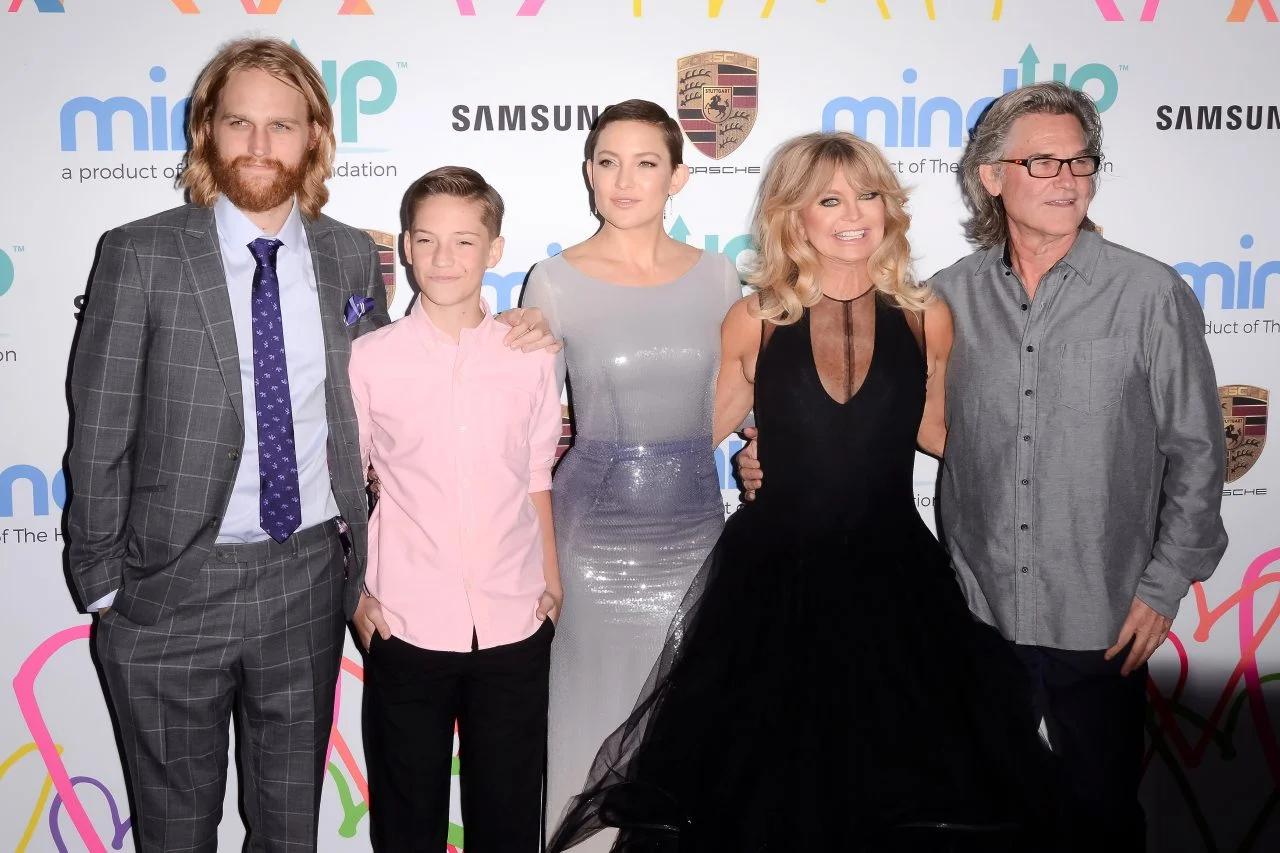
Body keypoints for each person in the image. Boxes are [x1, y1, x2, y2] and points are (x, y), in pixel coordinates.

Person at [66, 38, 553, 852]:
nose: (260, 145)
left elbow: (407, 376)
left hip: (305, 585)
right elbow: (99, 430)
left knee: (292, 830)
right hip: (168, 590)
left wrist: (516, 324)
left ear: (314, 138)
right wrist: (105, 586)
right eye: (240, 123)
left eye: (282, 126)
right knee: (175, 831)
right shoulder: (140, 252)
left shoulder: (349, 254)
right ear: (206, 131)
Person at [740, 82, 1229, 852]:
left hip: (1099, 614)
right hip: (973, 612)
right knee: (977, 819)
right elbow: (910, 422)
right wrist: (778, 449)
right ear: (991, 176)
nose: (1067, 178)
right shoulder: (945, 300)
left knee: (1101, 816)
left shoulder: (1148, 293)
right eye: (1043, 162)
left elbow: (1198, 451)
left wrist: (1163, 586)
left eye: (1081, 161)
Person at [548, 131, 1060, 853]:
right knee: (765, 801)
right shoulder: (755, 319)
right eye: (830, 200)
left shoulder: (928, 316)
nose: (854, 214)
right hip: (771, 587)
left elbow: (944, 434)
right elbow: (689, 435)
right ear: (795, 216)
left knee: (900, 791)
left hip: (895, 585)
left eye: (868, 195)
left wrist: (1058, 455)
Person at [519, 99, 743, 844]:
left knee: (685, 731)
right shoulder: (554, 280)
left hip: (694, 534)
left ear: (677, 177)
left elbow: (736, 395)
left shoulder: (719, 276)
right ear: (588, 172)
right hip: (592, 544)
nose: (623, 180)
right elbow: (524, 426)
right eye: (608, 162)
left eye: (645, 163)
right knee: (588, 721)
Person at [349, 166, 562, 853]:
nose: (444, 258)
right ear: (406, 247)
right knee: (406, 824)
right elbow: (344, 490)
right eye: (427, 239)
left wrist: (551, 583)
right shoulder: (368, 360)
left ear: (494, 250)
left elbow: (535, 477)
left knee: (508, 823)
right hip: (406, 622)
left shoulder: (530, 357)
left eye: (464, 241)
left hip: (514, 619)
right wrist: (357, 597)